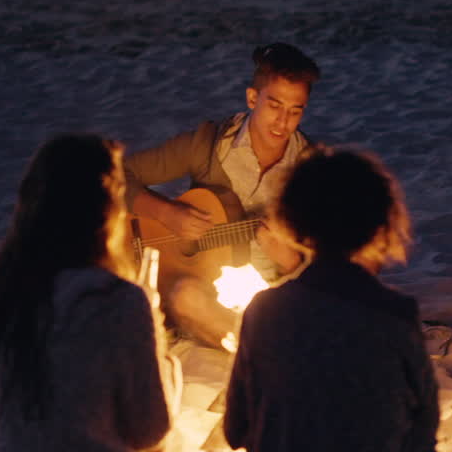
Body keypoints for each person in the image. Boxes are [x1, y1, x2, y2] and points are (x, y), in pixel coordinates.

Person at [0, 134, 180, 452]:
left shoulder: (2, 287)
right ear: (107, 209)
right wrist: (154, 341)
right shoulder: (117, 299)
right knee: (173, 369)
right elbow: (149, 430)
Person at [223, 149, 444, 452]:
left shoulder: (263, 311)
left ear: (293, 223)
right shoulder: (396, 313)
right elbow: (425, 421)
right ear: (379, 224)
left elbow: (235, 430)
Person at [123, 42, 321, 347]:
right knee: (185, 297)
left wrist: (291, 261)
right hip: (208, 291)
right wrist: (166, 213)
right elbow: (115, 175)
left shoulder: (314, 171)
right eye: (274, 105)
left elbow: (336, 273)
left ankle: (262, 349)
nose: (283, 122)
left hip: (277, 296)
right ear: (253, 98)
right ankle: (265, 352)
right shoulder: (206, 145)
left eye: (295, 111)